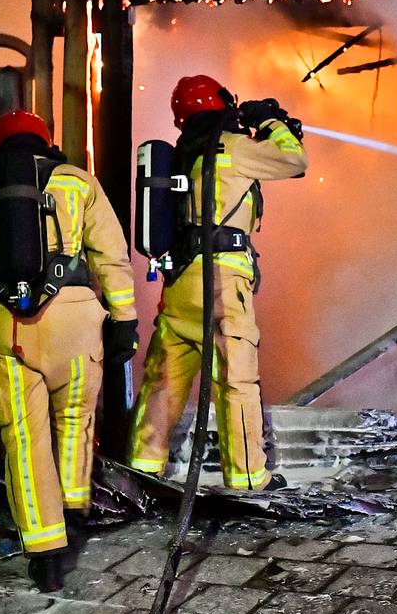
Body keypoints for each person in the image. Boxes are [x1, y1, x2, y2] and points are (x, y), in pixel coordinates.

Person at [0, 110, 139, 591]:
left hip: (10, 329)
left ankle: (45, 550)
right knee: (75, 421)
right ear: (47, 145)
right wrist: (125, 321)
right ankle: (74, 510)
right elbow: (111, 254)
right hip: (79, 323)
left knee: (24, 437)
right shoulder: (79, 182)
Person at [129, 75, 307, 491]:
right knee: (235, 379)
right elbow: (294, 160)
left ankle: (142, 467)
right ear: (221, 102)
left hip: (180, 280)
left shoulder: (181, 155)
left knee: (165, 377)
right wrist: (269, 120)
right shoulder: (235, 148)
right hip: (223, 281)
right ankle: (247, 480)